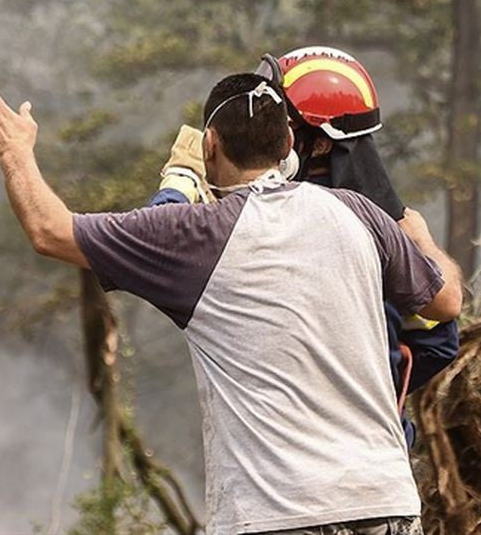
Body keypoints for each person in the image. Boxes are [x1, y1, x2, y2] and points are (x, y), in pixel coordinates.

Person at [0, 72, 462, 535]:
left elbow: (49, 231)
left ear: (210, 145)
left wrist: (13, 151)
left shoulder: (196, 236)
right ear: (288, 144)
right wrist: (416, 233)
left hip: (279, 516)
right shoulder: (357, 212)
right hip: (388, 503)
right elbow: (446, 301)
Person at [152, 47, 460, 446]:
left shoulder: (312, 226)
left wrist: (180, 184)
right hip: (373, 457)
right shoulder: (383, 227)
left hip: (318, 460)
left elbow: (441, 320)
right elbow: (439, 340)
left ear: (318, 145)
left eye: (280, 122)